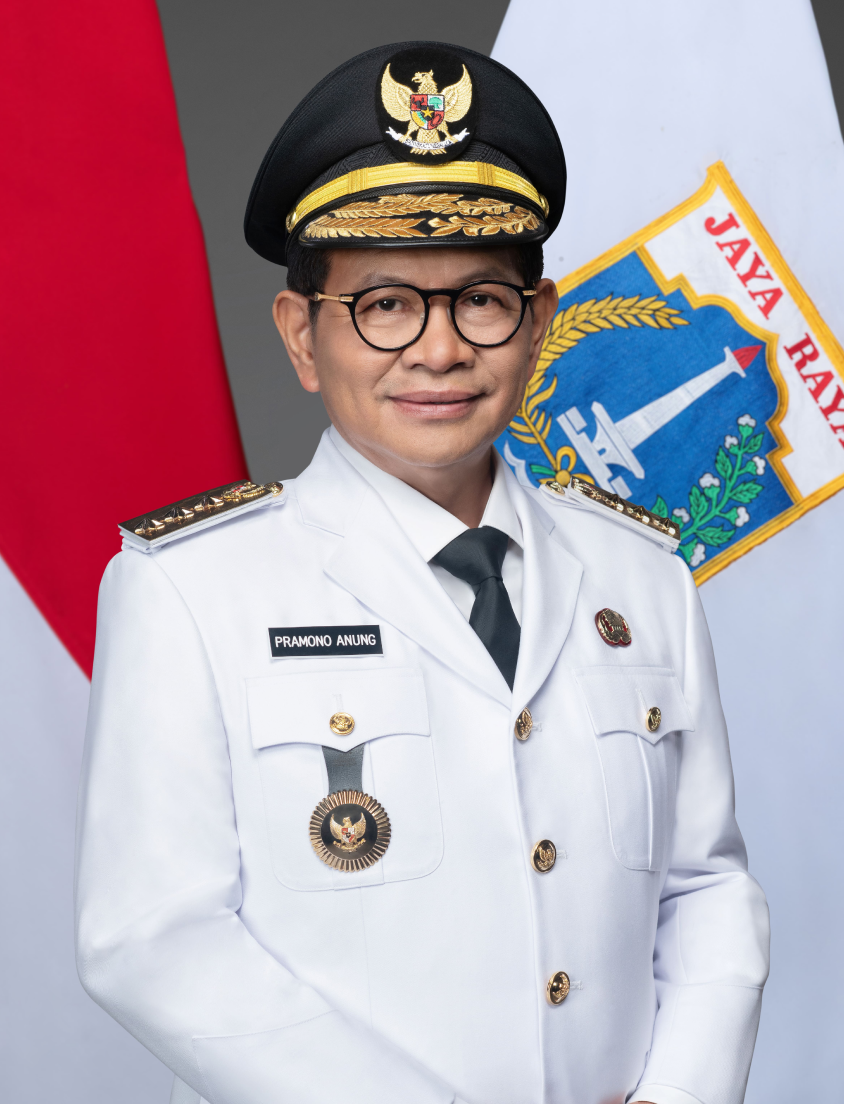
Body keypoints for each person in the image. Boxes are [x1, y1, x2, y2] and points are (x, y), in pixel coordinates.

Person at [75, 40, 770, 1104]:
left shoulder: (642, 578)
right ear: (301, 336)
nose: (439, 351)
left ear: (539, 322)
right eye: (385, 304)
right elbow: (151, 937)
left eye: (481, 300)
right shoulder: (191, 589)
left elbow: (705, 884)